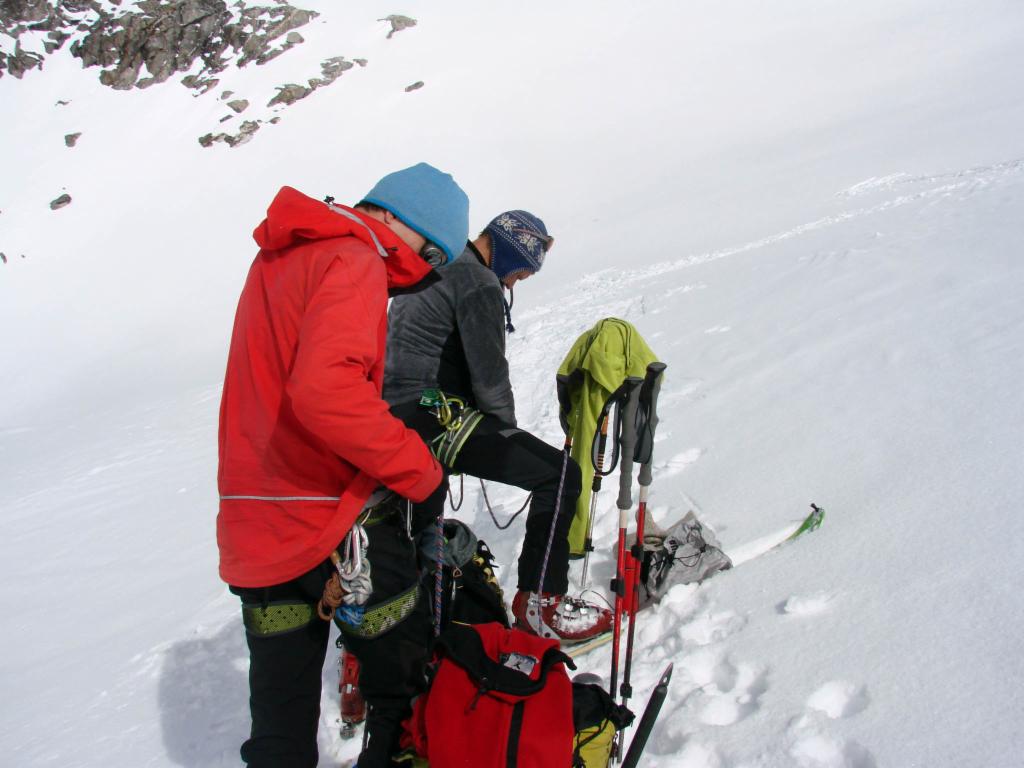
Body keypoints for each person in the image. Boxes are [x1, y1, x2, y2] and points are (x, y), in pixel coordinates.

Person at [217, 163, 469, 768]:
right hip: (334, 520)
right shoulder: (354, 258)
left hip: (256, 521)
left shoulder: (283, 254)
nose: (424, 272)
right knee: (401, 688)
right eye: (433, 255)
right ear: (411, 228)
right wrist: (420, 472)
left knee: (279, 718)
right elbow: (327, 393)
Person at [384, 210, 613, 644]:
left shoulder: (434, 268)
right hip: (432, 414)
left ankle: (384, 642)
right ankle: (542, 603)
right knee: (560, 475)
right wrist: (504, 433)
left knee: (409, 525)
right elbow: (489, 375)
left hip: (390, 418)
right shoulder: (476, 281)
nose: (513, 283)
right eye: (520, 274)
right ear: (511, 251)